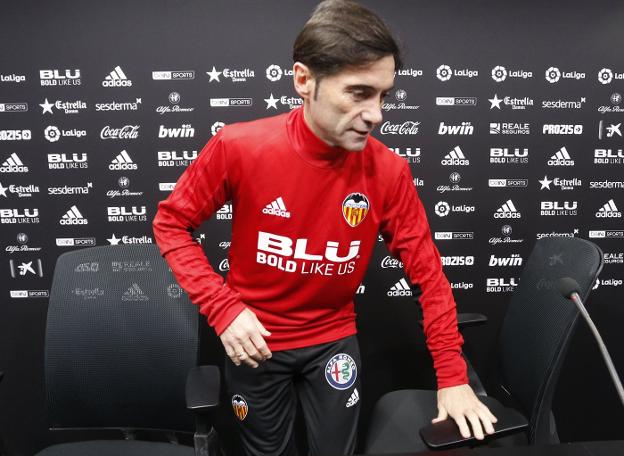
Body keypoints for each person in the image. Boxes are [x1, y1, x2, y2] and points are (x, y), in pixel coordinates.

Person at [153, 1, 496, 454]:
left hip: (332, 341)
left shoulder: (389, 171)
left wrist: (452, 378)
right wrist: (223, 309)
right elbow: (171, 223)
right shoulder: (240, 146)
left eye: (383, 95)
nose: (376, 115)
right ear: (303, 81)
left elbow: (429, 276)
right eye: (358, 92)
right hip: (255, 343)